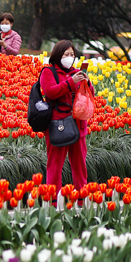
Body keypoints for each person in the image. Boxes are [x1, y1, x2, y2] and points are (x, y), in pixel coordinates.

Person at [40, 40, 92, 194]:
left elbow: (89, 96)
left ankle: (81, 198)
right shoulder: (48, 72)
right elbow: (50, 92)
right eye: (66, 54)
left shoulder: (77, 72)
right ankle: (53, 201)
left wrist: (87, 84)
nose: (70, 57)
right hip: (58, 125)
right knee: (55, 165)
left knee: (80, 165)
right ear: (57, 55)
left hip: (78, 124)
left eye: (72, 54)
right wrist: (71, 82)